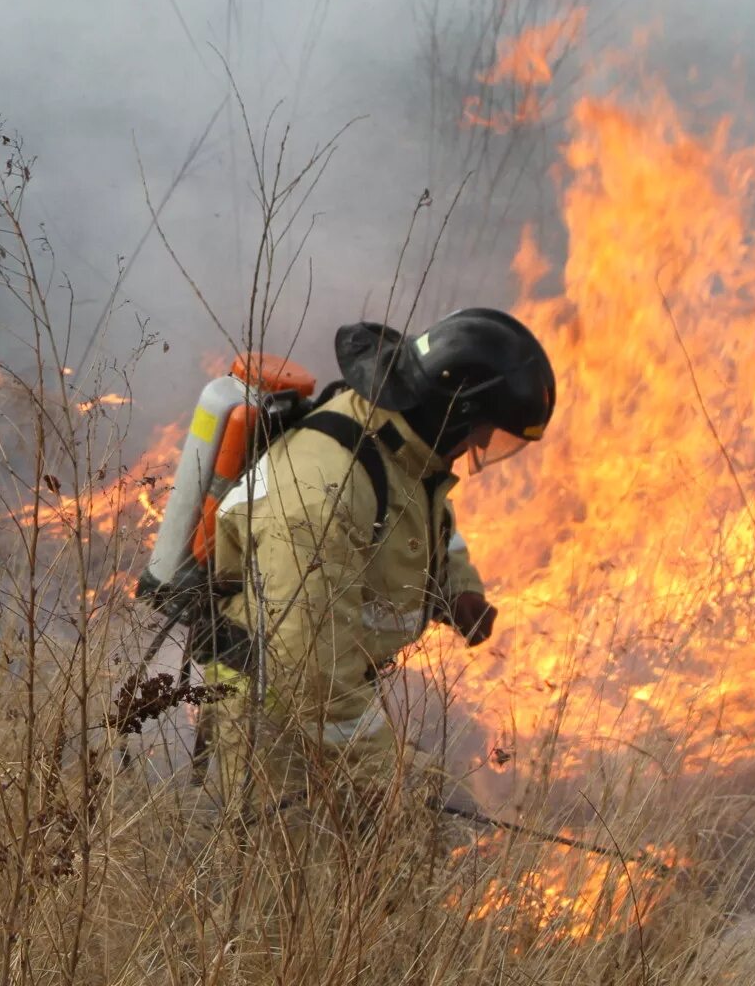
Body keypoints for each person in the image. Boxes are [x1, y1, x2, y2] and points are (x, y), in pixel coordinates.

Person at [201, 309, 556, 830]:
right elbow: (313, 676)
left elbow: (426, 522)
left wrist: (457, 589)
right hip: (272, 720)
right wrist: (382, 782)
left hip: (331, 695)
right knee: (299, 890)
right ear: (454, 413)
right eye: (482, 433)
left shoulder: (403, 447)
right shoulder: (324, 496)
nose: (480, 449)